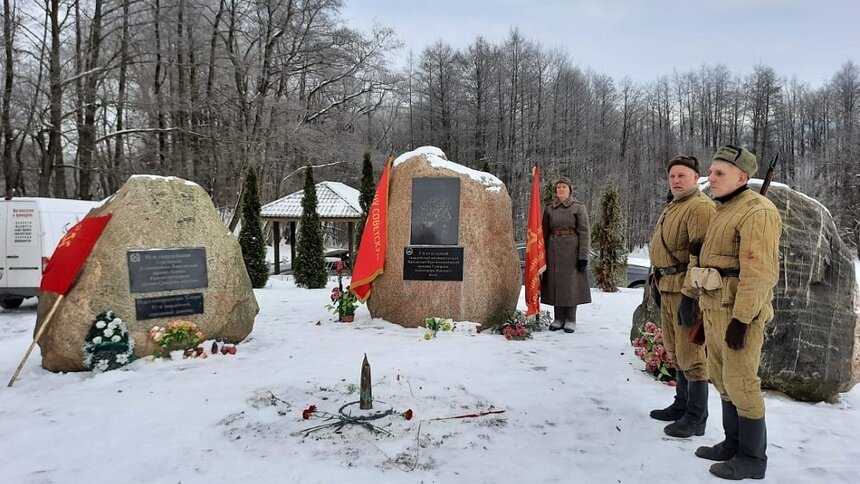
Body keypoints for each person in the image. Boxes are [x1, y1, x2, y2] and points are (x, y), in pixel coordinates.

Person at [683, 146, 782, 480]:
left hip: (738, 313)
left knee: (742, 383)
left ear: (742, 177)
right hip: (714, 309)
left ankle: (753, 458)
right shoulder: (724, 209)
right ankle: (732, 443)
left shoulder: (757, 211)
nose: (711, 178)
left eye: (720, 173)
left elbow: (759, 273)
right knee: (723, 381)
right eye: (711, 172)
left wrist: (742, 320)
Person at [648, 156, 715, 438]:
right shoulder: (675, 205)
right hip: (667, 284)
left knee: (693, 355)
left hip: (685, 288)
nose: (676, 180)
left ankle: (696, 416)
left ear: (696, 177)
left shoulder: (699, 208)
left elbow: (699, 258)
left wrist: (691, 296)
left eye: (682, 176)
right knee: (676, 349)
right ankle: (681, 404)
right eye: (672, 175)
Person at [541, 176, 591, 333]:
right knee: (555, 283)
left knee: (570, 285)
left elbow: (585, 232)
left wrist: (583, 256)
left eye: (563, 187)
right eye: (558, 187)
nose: (560, 190)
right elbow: (543, 231)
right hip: (553, 249)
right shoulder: (550, 208)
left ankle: (570, 319)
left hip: (572, 249)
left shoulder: (578, 207)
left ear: (569, 189)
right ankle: (558, 318)